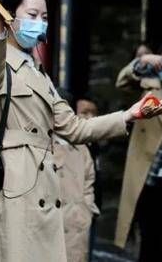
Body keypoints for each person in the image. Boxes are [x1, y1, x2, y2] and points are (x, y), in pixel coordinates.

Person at [0, 0, 162, 262]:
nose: (40, 23)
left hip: (46, 187)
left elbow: (75, 128)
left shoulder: (39, 73)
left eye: (45, 17)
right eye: (33, 14)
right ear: (9, 15)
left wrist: (128, 115)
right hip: (12, 183)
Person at [114, 42, 162, 262]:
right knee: (148, 241)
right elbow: (122, 80)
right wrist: (142, 61)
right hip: (147, 178)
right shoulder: (147, 88)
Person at [55, 94, 100, 262]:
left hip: (77, 226)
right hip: (51, 226)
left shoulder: (82, 148)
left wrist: (86, 209)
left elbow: (90, 181)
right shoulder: (41, 144)